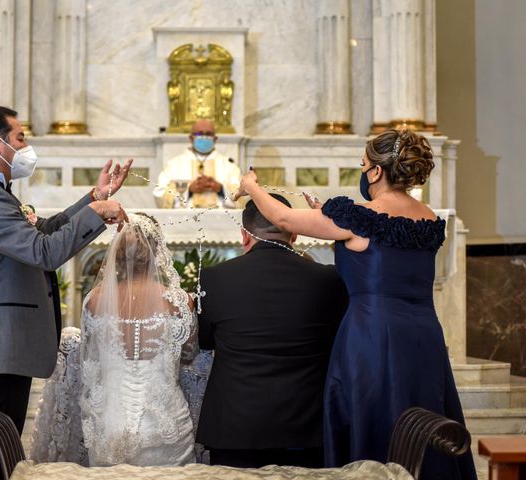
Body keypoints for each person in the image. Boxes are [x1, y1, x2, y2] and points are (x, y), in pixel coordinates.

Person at [235, 129, 478, 479]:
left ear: (377, 171)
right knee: (423, 418)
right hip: (424, 335)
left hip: (372, 335)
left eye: (363, 165)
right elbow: (383, 258)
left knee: (376, 419)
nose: (363, 172)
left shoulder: (358, 217)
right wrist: (329, 219)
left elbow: (284, 219)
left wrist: (251, 186)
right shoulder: (428, 218)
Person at [0, 105, 131, 480]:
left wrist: (93, 197)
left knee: (0, 459)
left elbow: (40, 231)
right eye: (20, 138)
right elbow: (44, 252)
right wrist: (98, 212)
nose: (26, 146)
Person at [30, 213, 198, 467]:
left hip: (110, 422)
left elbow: (91, 359)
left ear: (116, 255)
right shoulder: (180, 301)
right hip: (166, 423)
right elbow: (188, 355)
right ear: (157, 251)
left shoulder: (95, 300)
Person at [196, 194, 349, 468]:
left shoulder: (213, 278)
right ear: (295, 234)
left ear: (245, 235)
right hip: (305, 427)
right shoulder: (329, 279)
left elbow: (205, 342)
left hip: (235, 427)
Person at [154, 119, 241, 208]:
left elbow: (242, 196)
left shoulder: (230, 166)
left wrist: (220, 189)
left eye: (208, 134)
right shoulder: (174, 165)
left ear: (215, 139)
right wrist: (189, 191)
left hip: (221, 218)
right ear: (191, 138)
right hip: (184, 219)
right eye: (199, 134)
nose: (204, 137)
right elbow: (159, 194)